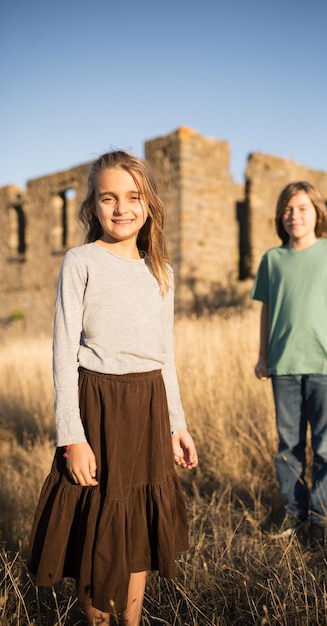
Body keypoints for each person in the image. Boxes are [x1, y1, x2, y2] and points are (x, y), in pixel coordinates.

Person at [27, 150, 198, 625]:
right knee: (98, 525)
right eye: (109, 198)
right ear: (93, 207)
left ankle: (132, 620)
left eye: (132, 197)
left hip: (148, 407)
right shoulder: (81, 262)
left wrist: (176, 425)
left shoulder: (160, 270)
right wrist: (71, 436)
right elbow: (63, 352)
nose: (121, 208)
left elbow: (165, 356)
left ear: (149, 204)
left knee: (138, 526)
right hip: (97, 406)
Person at [251, 181, 327, 548]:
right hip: (283, 366)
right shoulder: (272, 259)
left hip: (326, 365)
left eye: (302, 208)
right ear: (279, 217)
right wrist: (263, 355)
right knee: (288, 444)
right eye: (287, 209)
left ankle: (321, 516)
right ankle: (293, 510)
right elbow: (267, 311)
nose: (294, 216)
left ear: (318, 213)